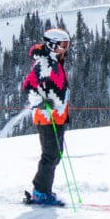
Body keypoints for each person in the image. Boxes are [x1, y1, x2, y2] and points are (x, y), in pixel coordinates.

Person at [23, 28, 72, 206]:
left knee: (56, 155)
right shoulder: (44, 64)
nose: (65, 49)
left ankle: (43, 190)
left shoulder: (54, 61)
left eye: (67, 45)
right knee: (50, 155)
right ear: (52, 45)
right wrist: (40, 103)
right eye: (62, 46)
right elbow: (28, 86)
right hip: (47, 118)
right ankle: (40, 192)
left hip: (57, 117)